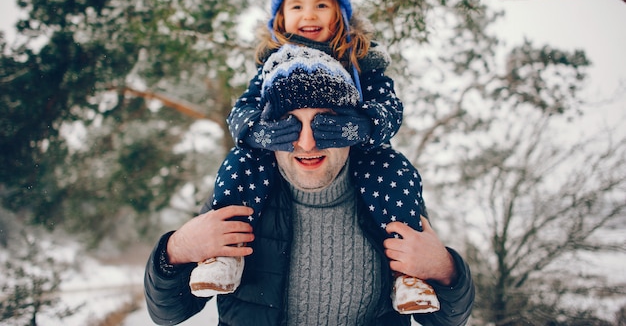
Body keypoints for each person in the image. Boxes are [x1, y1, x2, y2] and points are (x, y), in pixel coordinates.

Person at [143, 45, 475, 326]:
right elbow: (166, 312)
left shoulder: (385, 195)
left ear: (351, 128)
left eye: (326, 122)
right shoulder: (245, 192)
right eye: (289, 125)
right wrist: (177, 249)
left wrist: (446, 270)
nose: (306, 142)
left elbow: (446, 318)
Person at [189, 0, 436, 313]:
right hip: (284, 152)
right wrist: (258, 133)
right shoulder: (272, 63)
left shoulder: (362, 60)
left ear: (340, 12)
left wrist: (364, 126)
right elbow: (242, 111)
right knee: (240, 164)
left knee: (396, 174)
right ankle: (227, 253)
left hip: (358, 154)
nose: (309, 14)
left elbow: (390, 108)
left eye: (322, 4)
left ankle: (410, 273)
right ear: (280, 16)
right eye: (297, 5)